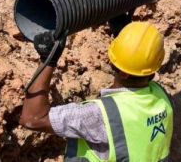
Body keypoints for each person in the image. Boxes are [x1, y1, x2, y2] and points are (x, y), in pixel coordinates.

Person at [20, 22, 173, 161]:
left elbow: (33, 119)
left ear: (121, 70)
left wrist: (48, 60)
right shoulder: (162, 97)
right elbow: (139, 63)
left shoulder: (101, 115)